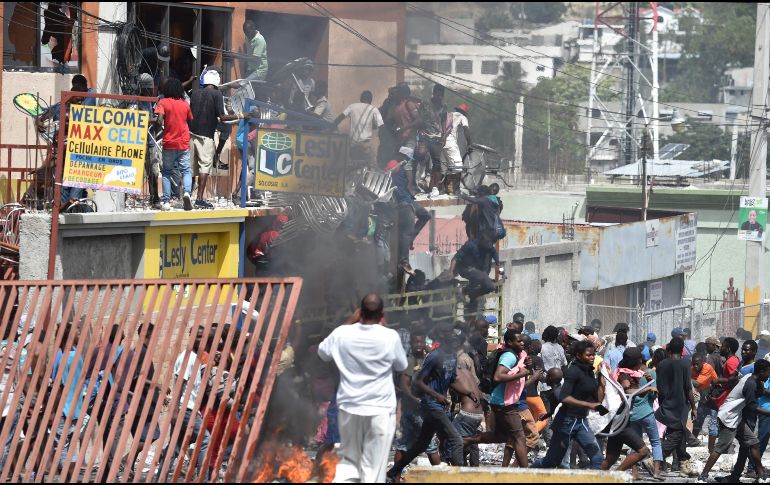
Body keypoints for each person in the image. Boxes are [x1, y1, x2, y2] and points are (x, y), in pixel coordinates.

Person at [319, 294, 407, 483]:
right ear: (382, 314)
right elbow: (401, 365)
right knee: (373, 469)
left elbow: (323, 352)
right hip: (380, 410)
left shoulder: (342, 333)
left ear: (360, 312)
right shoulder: (390, 336)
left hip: (350, 408)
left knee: (348, 464)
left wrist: (348, 322)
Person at [387, 324, 471, 480]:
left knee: (421, 445)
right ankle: (461, 478)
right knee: (456, 439)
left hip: (438, 406)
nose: (456, 344)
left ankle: (393, 472)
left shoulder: (451, 357)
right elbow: (418, 381)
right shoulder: (434, 356)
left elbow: (452, 381)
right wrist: (436, 395)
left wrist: (469, 392)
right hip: (430, 406)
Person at [531, 339, 603, 469]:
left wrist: (602, 380)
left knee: (597, 458)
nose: (592, 357)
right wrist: (588, 405)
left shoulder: (589, 372)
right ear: (578, 356)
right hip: (566, 422)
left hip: (581, 421)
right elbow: (564, 397)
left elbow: (597, 399)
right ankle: (527, 473)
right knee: (551, 462)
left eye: (593, 354)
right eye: (588, 355)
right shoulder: (573, 371)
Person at [462, 330, 530, 468]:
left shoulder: (517, 354)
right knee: (519, 438)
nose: (522, 343)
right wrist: (521, 373)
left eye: (523, 340)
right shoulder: (509, 356)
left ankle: (464, 440)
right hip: (505, 403)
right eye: (519, 341)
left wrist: (525, 366)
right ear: (510, 342)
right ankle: (527, 474)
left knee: (501, 436)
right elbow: (498, 377)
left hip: (501, 401)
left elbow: (517, 369)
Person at [697, 359, 770, 483]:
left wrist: (761, 385)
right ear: (761, 372)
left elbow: (759, 392)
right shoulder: (751, 383)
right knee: (720, 448)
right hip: (728, 417)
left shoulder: (751, 378)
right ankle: (703, 476)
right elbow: (752, 407)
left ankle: (761, 475)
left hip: (736, 417)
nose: (769, 375)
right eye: (768, 373)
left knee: (753, 443)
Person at [189, 69, 246, 209]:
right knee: (204, 168)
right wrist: (242, 115)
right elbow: (222, 117)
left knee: (190, 169)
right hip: (205, 137)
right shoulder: (217, 94)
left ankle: (185, 195)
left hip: (191, 134)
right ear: (216, 83)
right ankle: (199, 199)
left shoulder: (195, 93)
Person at [603, 347, 653, 479]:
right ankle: (615, 475)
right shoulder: (623, 375)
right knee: (643, 451)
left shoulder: (628, 373)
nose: (642, 362)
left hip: (619, 419)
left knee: (611, 458)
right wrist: (648, 388)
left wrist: (647, 382)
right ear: (635, 362)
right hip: (620, 421)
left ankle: (594, 478)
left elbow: (635, 391)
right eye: (640, 360)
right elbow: (627, 391)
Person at [394, 331, 440, 473]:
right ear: (411, 344)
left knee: (403, 445)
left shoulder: (426, 359)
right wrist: (416, 400)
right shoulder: (410, 361)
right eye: (416, 343)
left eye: (421, 342)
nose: (419, 345)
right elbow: (403, 385)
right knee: (430, 445)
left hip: (421, 409)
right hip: (415, 410)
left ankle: (394, 474)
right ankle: (442, 475)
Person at [654, 338, 699, 478]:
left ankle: (682, 465)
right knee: (677, 435)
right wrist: (693, 406)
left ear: (668, 349)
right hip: (680, 405)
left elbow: (660, 387)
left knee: (677, 434)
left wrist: (662, 403)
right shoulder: (685, 364)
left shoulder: (661, 365)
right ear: (682, 351)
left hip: (666, 403)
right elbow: (688, 388)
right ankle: (654, 459)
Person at [155, 77, 193, 211]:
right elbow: (190, 119)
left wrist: (156, 120)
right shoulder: (185, 104)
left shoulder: (163, 102)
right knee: (186, 170)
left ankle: (166, 202)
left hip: (169, 143)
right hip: (183, 142)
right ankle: (187, 193)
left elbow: (159, 121)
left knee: (166, 172)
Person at [387, 157, 431, 273]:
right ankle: (404, 261)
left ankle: (411, 238)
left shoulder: (400, 172)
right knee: (406, 232)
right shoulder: (390, 179)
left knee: (426, 215)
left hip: (410, 201)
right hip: (404, 206)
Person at [333, 90, 384, 167]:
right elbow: (382, 126)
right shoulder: (374, 110)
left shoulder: (352, 106)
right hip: (365, 146)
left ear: (360, 99)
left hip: (353, 144)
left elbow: (340, 117)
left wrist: (331, 127)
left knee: (352, 166)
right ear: (371, 100)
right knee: (371, 166)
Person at [450, 238, 500, 314]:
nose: (489, 245)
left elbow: (498, 265)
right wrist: (451, 273)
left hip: (479, 274)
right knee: (482, 277)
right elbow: (455, 259)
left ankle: (467, 292)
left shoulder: (490, 248)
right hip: (466, 269)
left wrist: (497, 280)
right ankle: (464, 292)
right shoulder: (471, 245)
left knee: (487, 286)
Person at [417, 84, 449, 196]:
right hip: (424, 135)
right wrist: (420, 131)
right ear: (434, 93)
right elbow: (419, 119)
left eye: (442, 95)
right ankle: (421, 177)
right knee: (421, 155)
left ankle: (435, 187)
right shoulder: (425, 103)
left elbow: (444, 120)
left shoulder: (444, 106)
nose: (440, 97)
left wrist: (444, 134)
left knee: (437, 163)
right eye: (438, 94)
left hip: (437, 136)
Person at [691, 353, 719, 452]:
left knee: (712, 423)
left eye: (697, 364)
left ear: (703, 362)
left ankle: (711, 449)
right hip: (703, 397)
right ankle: (692, 443)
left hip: (712, 398)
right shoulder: (692, 369)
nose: (695, 366)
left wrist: (686, 378)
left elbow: (698, 383)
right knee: (698, 420)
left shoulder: (707, 368)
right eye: (693, 364)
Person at [442, 104, 471, 195]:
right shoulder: (462, 117)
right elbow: (466, 129)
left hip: (441, 142)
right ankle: (456, 189)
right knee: (458, 167)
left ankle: (446, 188)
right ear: (465, 113)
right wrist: (469, 143)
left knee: (449, 167)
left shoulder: (449, 114)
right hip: (450, 143)